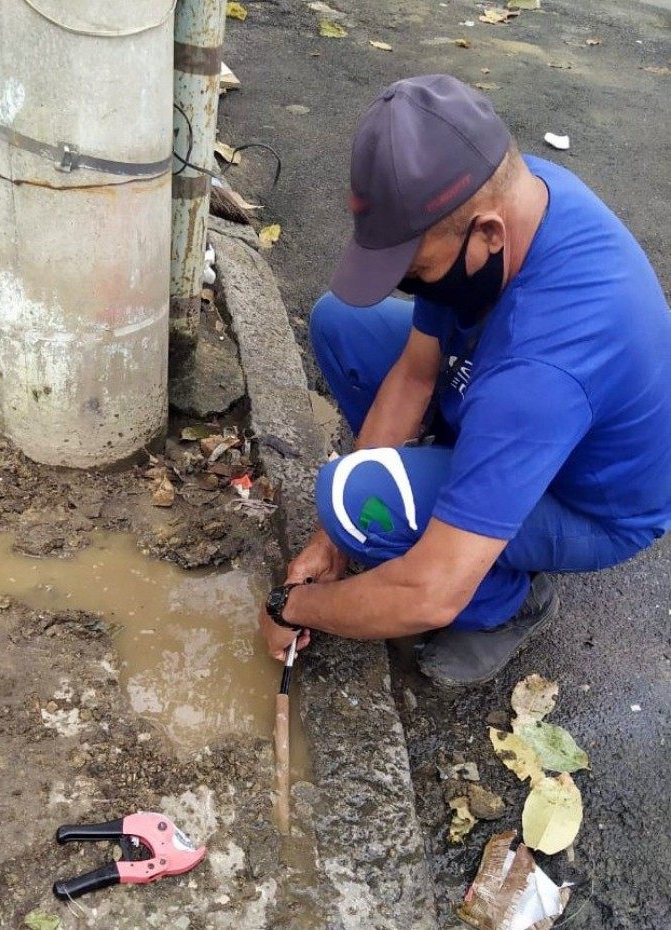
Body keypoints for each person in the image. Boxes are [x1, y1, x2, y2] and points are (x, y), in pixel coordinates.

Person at [258, 74, 671, 686]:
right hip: (532, 412)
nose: (411, 287)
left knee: (360, 502)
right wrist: (328, 547)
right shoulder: (510, 196)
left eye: (415, 270)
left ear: (487, 235)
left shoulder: (540, 372)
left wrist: (293, 608)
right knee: (342, 323)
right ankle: (461, 501)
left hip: (591, 504)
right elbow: (415, 375)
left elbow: (429, 594)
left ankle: (509, 602)